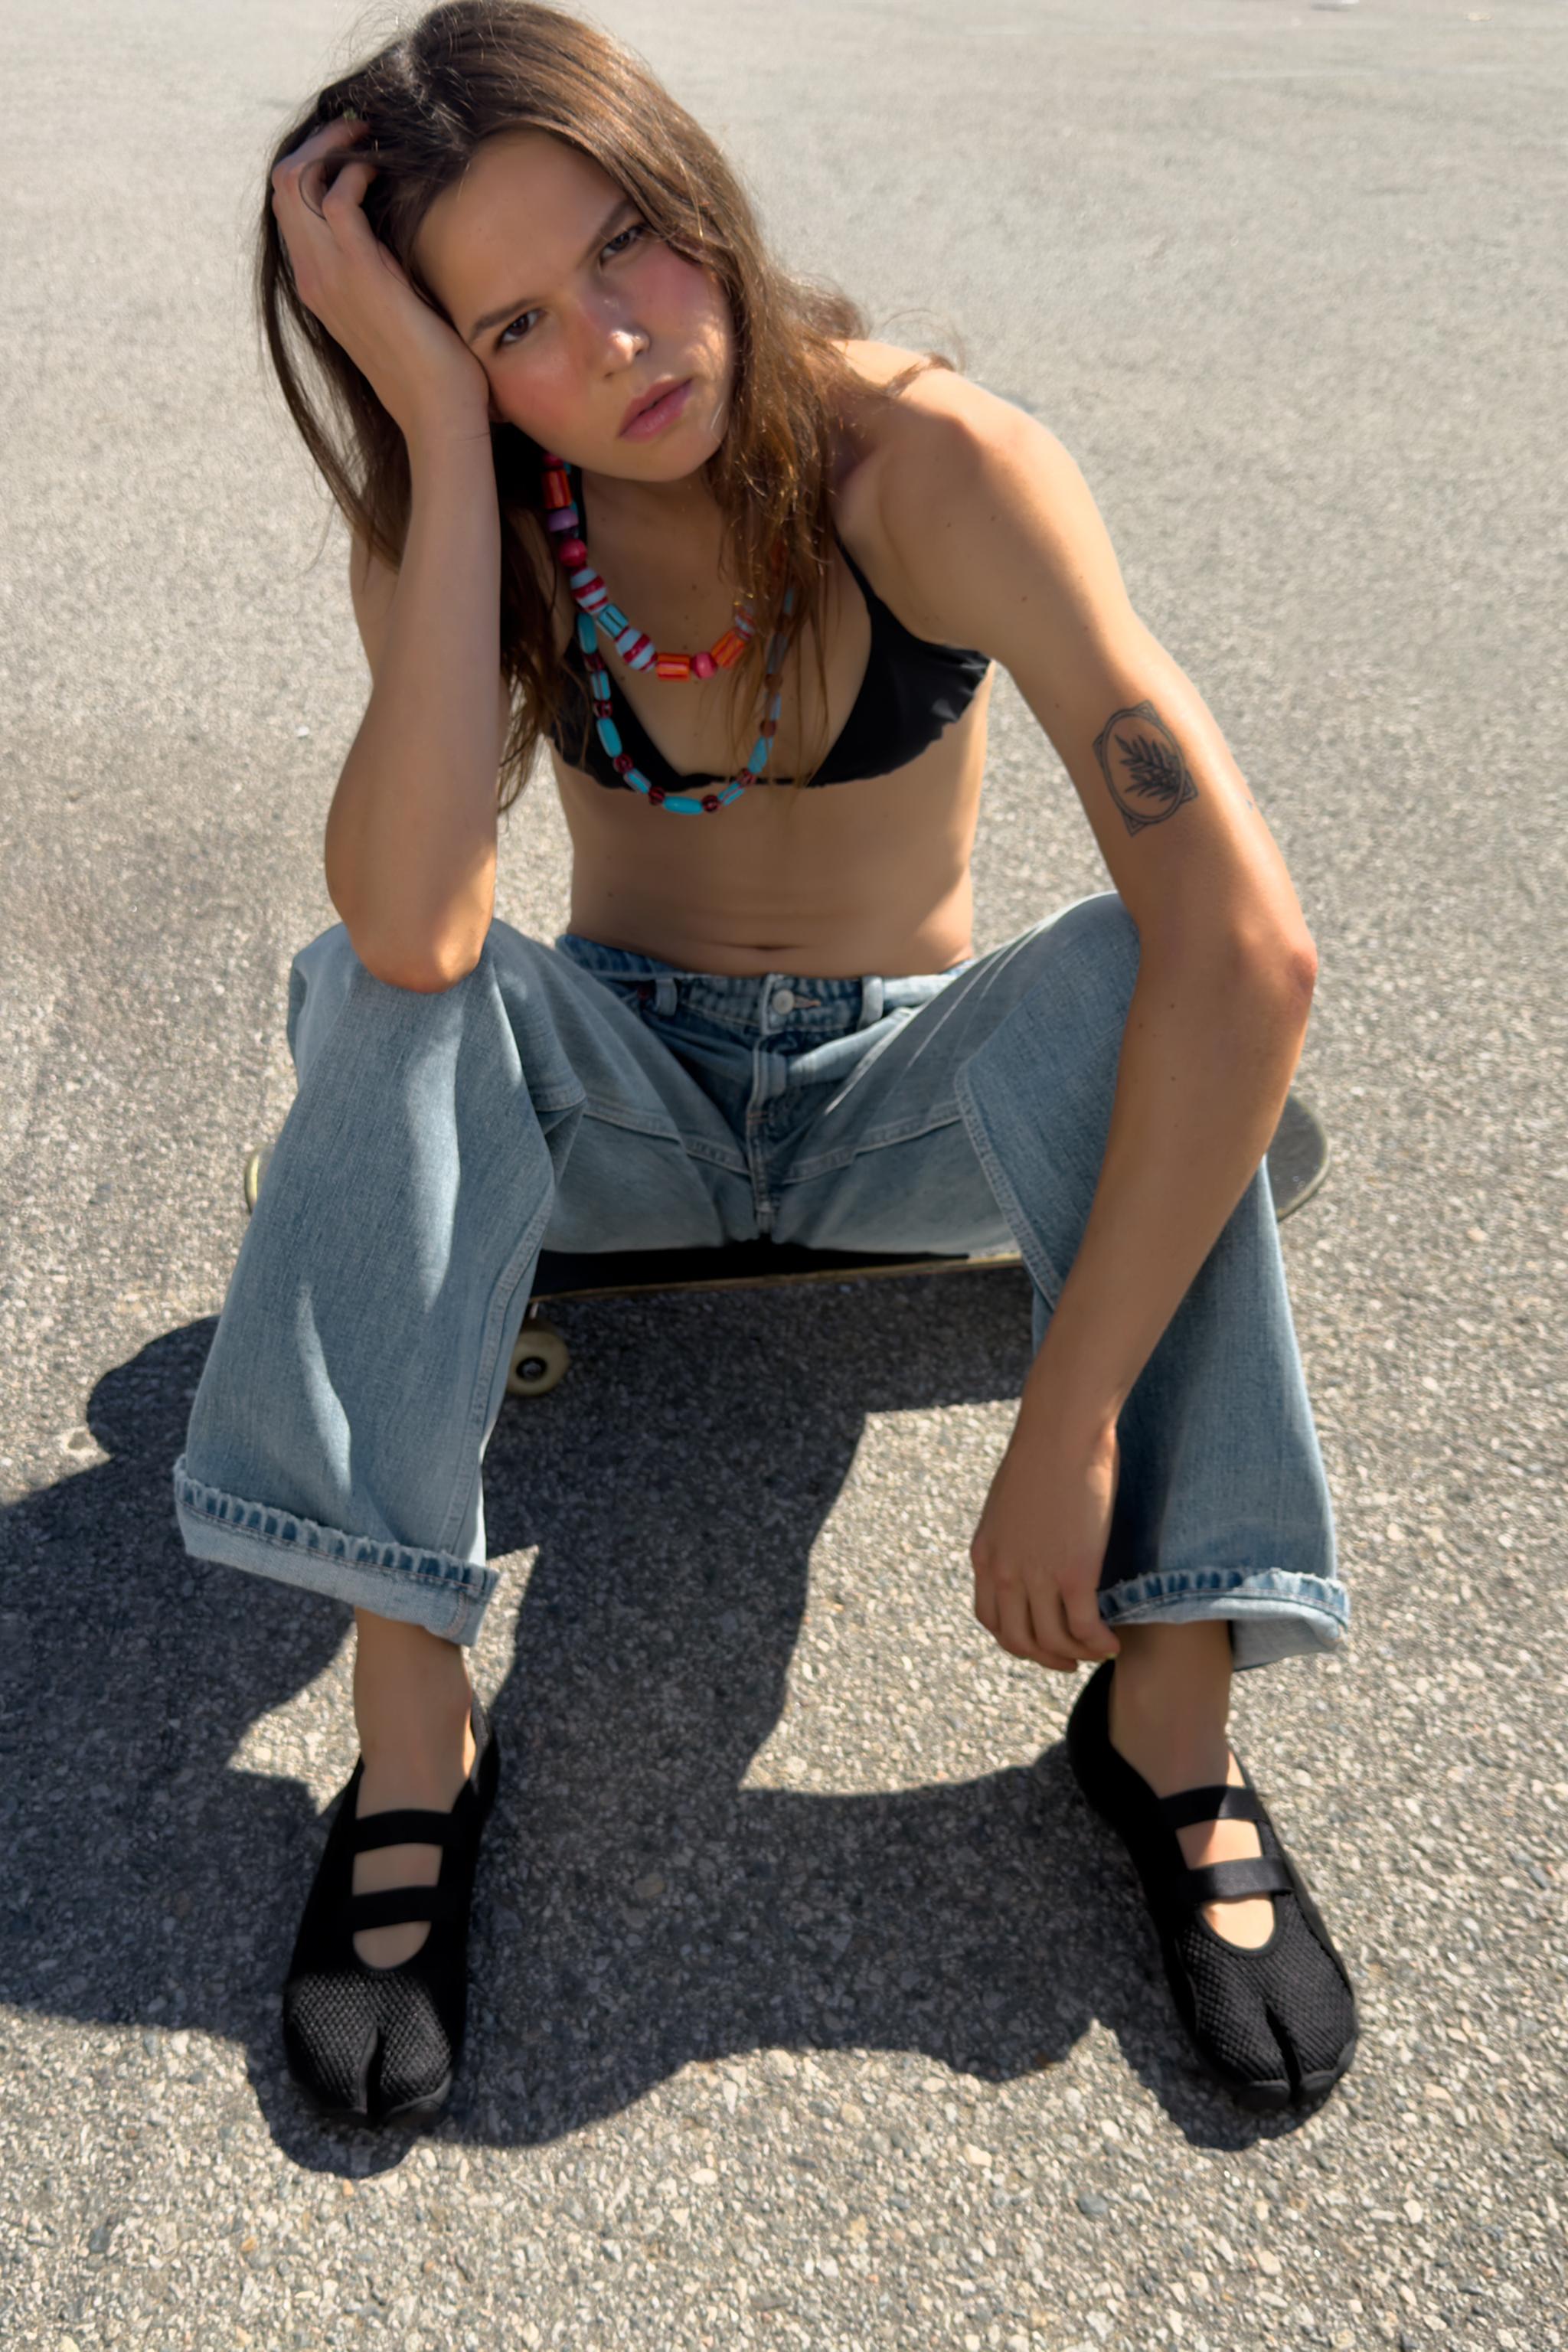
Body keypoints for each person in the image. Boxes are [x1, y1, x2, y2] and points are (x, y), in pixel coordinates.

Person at [173, 0, 1357, 2127]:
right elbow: (420, 931)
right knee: (376, 993)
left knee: (1156, 976)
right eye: (515, 325)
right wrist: (441, 442)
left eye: (624, 244)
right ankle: (415, 1731)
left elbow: (1249, 946)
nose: (618, 340)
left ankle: (1170, 1717)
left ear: (694, 192)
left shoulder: (938, 467)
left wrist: (1071, 1418)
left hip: (905, 1103)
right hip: (620, 1094)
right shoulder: (481, 514)